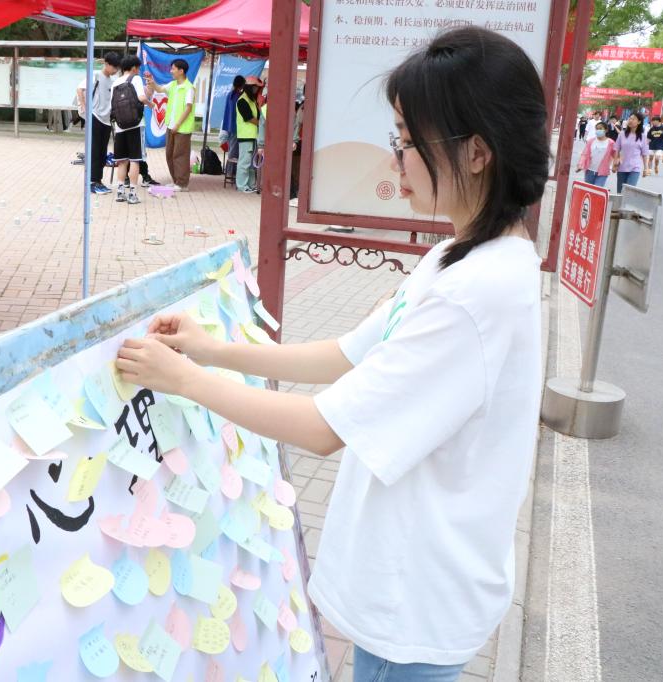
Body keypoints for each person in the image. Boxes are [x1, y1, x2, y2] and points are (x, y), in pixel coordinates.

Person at [115, 26, 548, 682]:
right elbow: (345, 356)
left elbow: (322, 429)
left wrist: (185, 380)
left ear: (477, 152)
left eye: (408, 142)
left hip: (415, 604)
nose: (396, 161)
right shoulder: (457, 257)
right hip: (413, 586)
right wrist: (209, 350)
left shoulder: (476, 294)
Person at [146, 58, 196, 192]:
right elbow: (160, 89)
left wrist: (178, 124)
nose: (171, 71)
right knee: (170, 154)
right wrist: (152, 82)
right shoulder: (173, 84)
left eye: (173, 69)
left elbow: (188, 108)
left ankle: (182, 184)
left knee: (180, 155)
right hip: (170, 126)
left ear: (181, 71)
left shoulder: (189, 88)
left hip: (182, 128)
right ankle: (176, 181)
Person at [111, 54, 154, 205]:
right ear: (135, 67)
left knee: (122, 161)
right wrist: (151, 105)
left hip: (120, 126)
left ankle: (120, 192)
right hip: (135, 125)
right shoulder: (135, 79)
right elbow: (142, 98)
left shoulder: (116, 82)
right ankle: (133, 194)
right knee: (135, 160)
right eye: (138, 68)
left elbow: (112, 106)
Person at [77, 51, 120, 193]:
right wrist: (85, 107)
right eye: (114, 67)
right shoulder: (95, 75)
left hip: (106, 120)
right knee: (94, 151)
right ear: (106, 64)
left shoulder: (112, 81)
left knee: (102, 152)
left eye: (117, 68)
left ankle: (98, 181)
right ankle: (92, 182)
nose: (115, 70)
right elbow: (80, 89)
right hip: (95, 117)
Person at [235, 76, 263, 192]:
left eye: (257, 88)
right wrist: (262, 124)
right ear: (249, 87)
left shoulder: (252, 100)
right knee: (244, 163)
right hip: (245, 137)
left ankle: (251, 185)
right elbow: (249, 118)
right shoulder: (242, 100)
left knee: (252, 164)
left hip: (254, 136)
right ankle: (242, 186)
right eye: (255, 87)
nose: (256, 90)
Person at [614, 113, 648, 193]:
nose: (630, 121)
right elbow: (617, 149)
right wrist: (614, 163)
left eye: (633, 119)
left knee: (629, 192)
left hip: (635, 168)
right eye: (629, 118)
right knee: (620, 192)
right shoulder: (622, 134)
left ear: (639, 122)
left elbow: (645, 154)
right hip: (622, 167)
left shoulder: (643, 137)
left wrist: (645, 168)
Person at [577, 122, 615, 188]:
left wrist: (615, 165)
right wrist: (580, 165)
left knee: (597, 189)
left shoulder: (611, 143)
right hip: (589, 171)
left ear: (606, 130)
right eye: (597, 129)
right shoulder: (591, 141)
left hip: (603, 172)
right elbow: (585, 154)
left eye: (600, 129)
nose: (598, 130)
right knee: (588, 189)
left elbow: (616, 155)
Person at [220, 75, 246, 168]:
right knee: (234, 152)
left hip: (229, 126)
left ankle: (230, 171)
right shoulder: (238, 96)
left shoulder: (230, 95)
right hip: (236, 127)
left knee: (232, 149)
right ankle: (231, 171)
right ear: (242, 85)